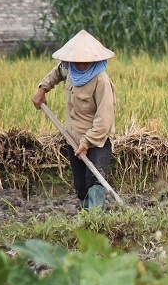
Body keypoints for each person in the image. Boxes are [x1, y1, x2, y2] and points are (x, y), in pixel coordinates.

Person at [31, 30, 116, 209]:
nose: (79, 64)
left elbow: (104, 119)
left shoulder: (101, 81)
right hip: (73, 137)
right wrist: (42, 89)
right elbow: (57, 72)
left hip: (96, 141)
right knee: (81, 186)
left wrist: (87, 142)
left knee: (95, 181)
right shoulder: (69, 69)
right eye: (75, 60)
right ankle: (86, 217)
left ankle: (96, 220)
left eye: (83, 61)